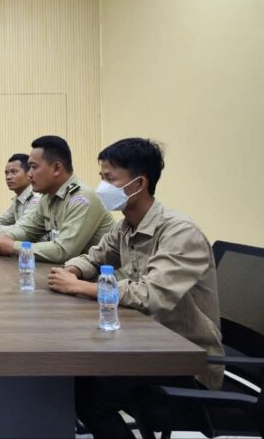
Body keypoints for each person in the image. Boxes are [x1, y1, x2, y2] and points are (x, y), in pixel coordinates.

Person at [47, 138, 223, 438]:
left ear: (139, 183)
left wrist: (79, 287)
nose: (102, 187)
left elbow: (151, 295)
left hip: (186, 361)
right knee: (76, 378)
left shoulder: (180, 232)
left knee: (87, 393)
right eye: (101, 177)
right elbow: (95, 257)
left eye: (110, 179)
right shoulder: (126, 226)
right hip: (143, 344)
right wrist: (72, 270)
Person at [0, 136, 114, 262]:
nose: (29, 175)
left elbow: (64, 251)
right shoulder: (47, 197)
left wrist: (13, 247)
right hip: (71, 272)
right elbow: (27, 230)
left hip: (103, 275)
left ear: (56, 168)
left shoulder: (81, 198)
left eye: (34, 167)